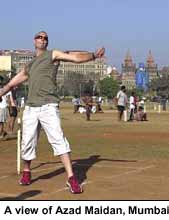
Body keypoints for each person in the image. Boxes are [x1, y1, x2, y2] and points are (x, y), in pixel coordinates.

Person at [0, 31, 105, 194]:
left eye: (45, 38)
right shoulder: (30, 65)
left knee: (59, 140)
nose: (42, 39)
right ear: (34, 41)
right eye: (39, 37)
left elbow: (75, 57)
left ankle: (72, 178)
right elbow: (12, 82)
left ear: (47, 42)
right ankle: (27, 172)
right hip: (31, 108)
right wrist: (2, 92)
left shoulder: (53, 54)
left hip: (49, 105)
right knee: (27, 143)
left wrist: (93, 56)